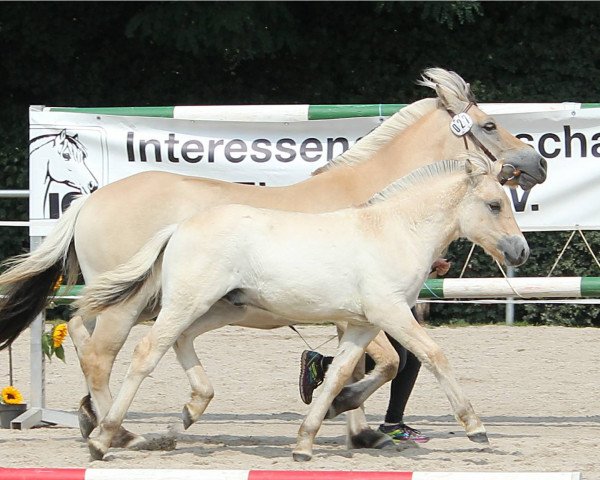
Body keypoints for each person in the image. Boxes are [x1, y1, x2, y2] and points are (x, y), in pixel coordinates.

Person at [299, 258, 452, 444]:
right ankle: (324, 366)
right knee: (398, 360)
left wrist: (428, 266)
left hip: (394, 288)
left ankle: (393, 422)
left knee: (411, 357)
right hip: (376, 288)